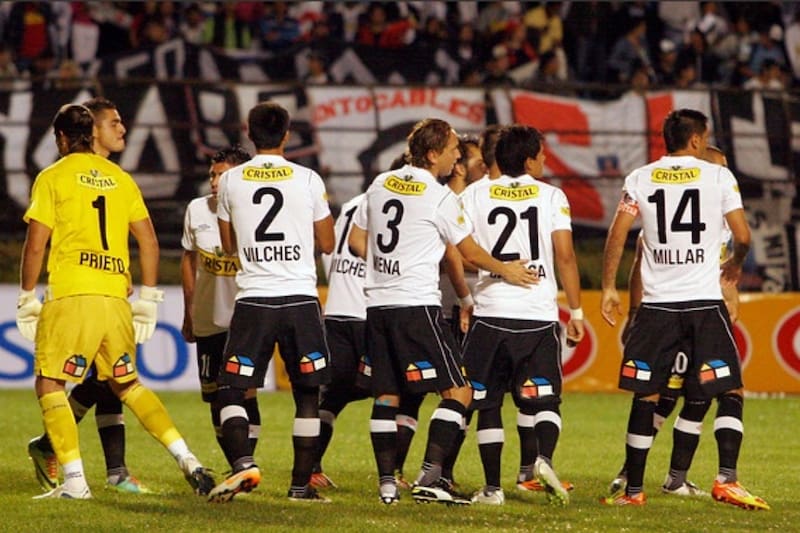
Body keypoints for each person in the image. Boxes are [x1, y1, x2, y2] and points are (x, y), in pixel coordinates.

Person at [17, 103, 215, 499]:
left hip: (73, 293)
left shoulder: (53, 176)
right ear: (91, 135)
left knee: (50, 382)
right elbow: (149, 241)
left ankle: (74, 482)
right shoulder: (119, 178)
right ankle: (187, 458)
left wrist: (25, 294)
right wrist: (149, 297)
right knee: (126, 384)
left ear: (60, 139)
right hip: (115, 298)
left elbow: (36, 243)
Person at [348, 118, 538, 505]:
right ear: (433, 153)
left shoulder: (379, 185)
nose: (458, 156)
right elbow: (466, 252)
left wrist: (392, 263)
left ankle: (388, 485)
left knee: (387, 396)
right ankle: (431, 479)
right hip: (416, 306)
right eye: (452, 149)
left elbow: (358, 239)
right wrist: (506, 269)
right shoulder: (439, 198)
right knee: (460, 391)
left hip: (379, 305)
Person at [599, 108, 769, 510]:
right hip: (703, 302)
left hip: (657, 307)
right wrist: (737, 263)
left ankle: (633, 489)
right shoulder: (717, 176)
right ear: (697, 140)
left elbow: (620, 233)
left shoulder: (640, 177)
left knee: (646, 396)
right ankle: (727, 478)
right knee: (730, 388)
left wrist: (608, 287)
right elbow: (742, 236)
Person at [207, 101, 335, 503]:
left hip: (255, 300)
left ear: (248, 131)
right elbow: (328, 243)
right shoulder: (309, 179)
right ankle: (300, 488)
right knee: (308, 394)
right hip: (299, 298)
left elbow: (228, 246)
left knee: (231, 389)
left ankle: (244, 464)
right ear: (287, 134)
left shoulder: (230, 181)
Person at [27, 96, 151, 495]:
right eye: (114, 123)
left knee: (108, 377)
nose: (122, 129)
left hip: (108, 288)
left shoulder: (114, 176)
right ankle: (111, 470)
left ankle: (86, 459)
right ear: (92, 130)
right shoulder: (70, 175)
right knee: (110, 378)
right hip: (80, 289)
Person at [460, 125, 584, 506]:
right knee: (545, 400)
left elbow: (463, 251)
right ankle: (541, 461)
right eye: (542, 155)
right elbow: (564, 255)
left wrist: (495, 270)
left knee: (488, 403)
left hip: (491, 312)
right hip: (537, 313)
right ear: (529, 160)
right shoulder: (551, 196)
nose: (545, 160)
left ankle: (493, 488)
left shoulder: (473, 194)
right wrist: (576, 311)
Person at [609, 144, 740, 498]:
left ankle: (675, 478)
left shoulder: (720, 221)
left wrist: (732, 297)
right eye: (722, 166)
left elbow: (725, 271)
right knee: (666, 395)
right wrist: (635, 312)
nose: (727, 173)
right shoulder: (705, 202)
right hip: (679, 310)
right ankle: (630, 473)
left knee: (698, 397)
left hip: (696, 310)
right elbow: (638, 260)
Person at [180, 145, 260, 468]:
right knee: (215, 397)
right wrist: (188, 309)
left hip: (244, 319)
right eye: (212, 175)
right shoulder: (197, 210)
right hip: (208, 319)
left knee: (244, 392)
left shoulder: (253, 212)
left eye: (221, 175)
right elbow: (188, 260)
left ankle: (245, 462)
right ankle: (236, 465)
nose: (213, 182)